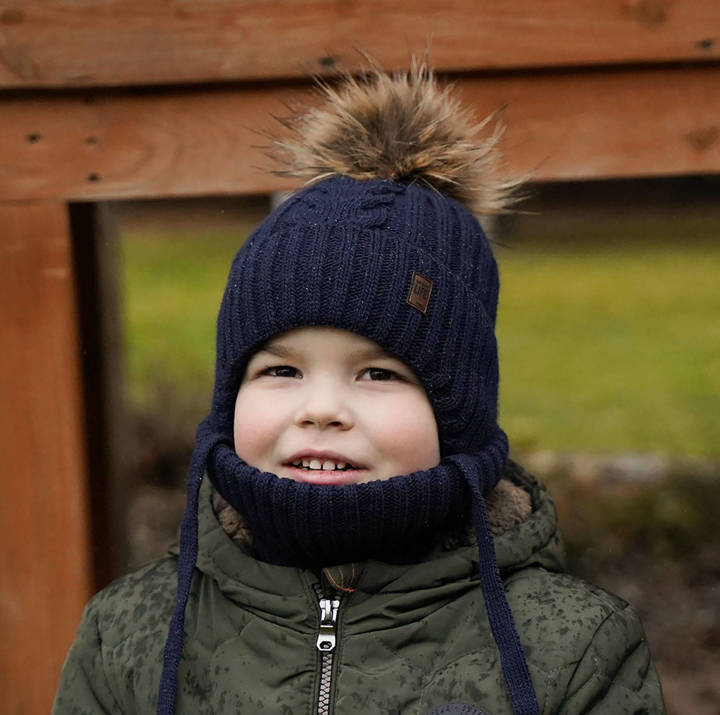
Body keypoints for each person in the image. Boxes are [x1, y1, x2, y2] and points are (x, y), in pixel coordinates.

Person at [53, 63, 665, 715]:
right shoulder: (127, 642)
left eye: (377, 373)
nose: (320, 409)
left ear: (457, 412)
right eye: (280, 370)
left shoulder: (574, 653)